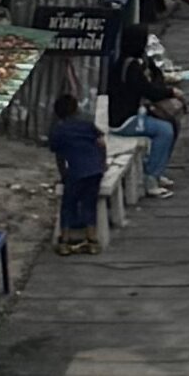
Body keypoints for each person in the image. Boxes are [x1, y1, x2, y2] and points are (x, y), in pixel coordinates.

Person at [44, 87, 110, 256]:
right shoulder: (87, 125)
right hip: (95, 170)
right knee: (90, 204)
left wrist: (63, 176)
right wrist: (102, 164)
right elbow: (101, 144)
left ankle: (65, 241)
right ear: (76, 109)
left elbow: (59, 156)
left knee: (69, 204)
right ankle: (92, 240)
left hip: (76, 171)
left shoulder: (58, 131)